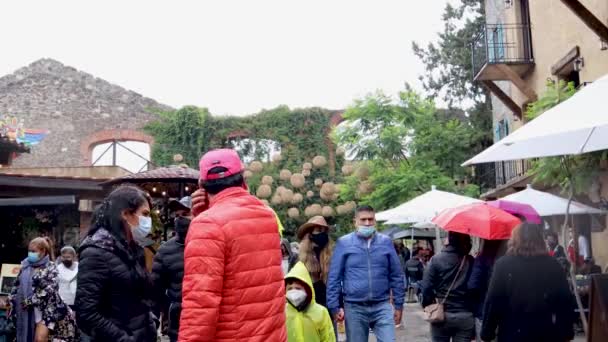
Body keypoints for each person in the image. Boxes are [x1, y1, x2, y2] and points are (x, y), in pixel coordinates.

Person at [179, 149, 286, 341]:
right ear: (242, 178)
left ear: (201, 185)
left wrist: (203, 217)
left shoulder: (207, 224)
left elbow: (200, 303)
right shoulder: (267, 215)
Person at [75, 185, 157, 342]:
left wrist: (150, 320)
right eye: (145, 214)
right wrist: (123, 339)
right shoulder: (96, 252)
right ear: (126, 214)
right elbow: (86, 312)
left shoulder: (131, 248)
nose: (148, 221)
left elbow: (136, 296)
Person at [481, 222, 575, 342]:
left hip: (511, 333)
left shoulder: (503, 265)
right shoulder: (553, 265)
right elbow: (565, 302)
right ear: (540, 240)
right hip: (544, 333)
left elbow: (494, 301)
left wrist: (487, 332)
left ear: (514, 240)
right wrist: (566, 332)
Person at [327, 205, 405, 342]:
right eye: (363, 220)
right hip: (354, 307)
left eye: (371, 219)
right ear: (355, 221)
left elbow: (396, 275)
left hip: (382, 305)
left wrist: (399, 305)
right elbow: (334, 277)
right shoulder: (344, 243)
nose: (367, 223)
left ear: (375, 221)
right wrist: (334, 306)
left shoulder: (385, 242)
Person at [9, 237, 77, 342]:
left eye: (33, 251)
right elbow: (16, 286)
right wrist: (11, 300)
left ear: (43, 251)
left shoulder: (51, 268)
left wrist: (30, 301)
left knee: (40, 339)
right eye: (29, 251)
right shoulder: (25, 266)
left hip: (47, 311)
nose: (30, 254)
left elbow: (50, 290)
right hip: (28, 312)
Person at [151, 196, 193, 342]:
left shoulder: (214, 242)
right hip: (178, 326)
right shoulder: (165, 250)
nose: (180, 219)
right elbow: (155, 292)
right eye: (177, 215)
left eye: (186, 214)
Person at [420, 232, 475, 342]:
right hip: (465, 315)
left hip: (441, 314)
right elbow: (476, 287)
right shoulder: (470, 261)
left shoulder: (435, 260)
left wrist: (428, 305)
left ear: (448, 240)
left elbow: (426, 287)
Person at [467, 239, 507, 342]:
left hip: (484, 313)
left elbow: (472, 286)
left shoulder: (482, 259)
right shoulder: (509, 260)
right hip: (506, 316)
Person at [285, 262, 335, 342]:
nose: (293, 292)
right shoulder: (283, 313)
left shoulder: (321, 312)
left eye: (298, 289)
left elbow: (328, 338)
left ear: (308, 289)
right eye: (290, 289)